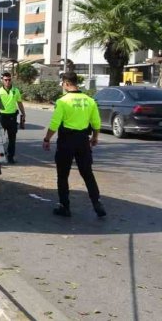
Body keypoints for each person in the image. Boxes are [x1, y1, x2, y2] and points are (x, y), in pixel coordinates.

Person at [42, 72, 106, 218]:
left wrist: (47, 139)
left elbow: (55, 123)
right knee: (87, 173)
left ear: (66, 83)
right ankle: (97, 203)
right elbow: (96, 122)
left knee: (63, 175)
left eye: (62, 83)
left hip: (66, 141)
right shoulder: (90, 100)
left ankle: (65, 207)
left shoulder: (63, 101)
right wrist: (95, 137)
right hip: (83, 140)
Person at [0, 72, 25, 164]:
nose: (8, 82)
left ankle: (10, 157)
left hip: (12, 117)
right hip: (2, 117)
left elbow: (19, 102)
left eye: (9, 80)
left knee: (12, 139)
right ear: (2, 80)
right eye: (5, 80)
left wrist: (23, 113)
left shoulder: (15, 90)